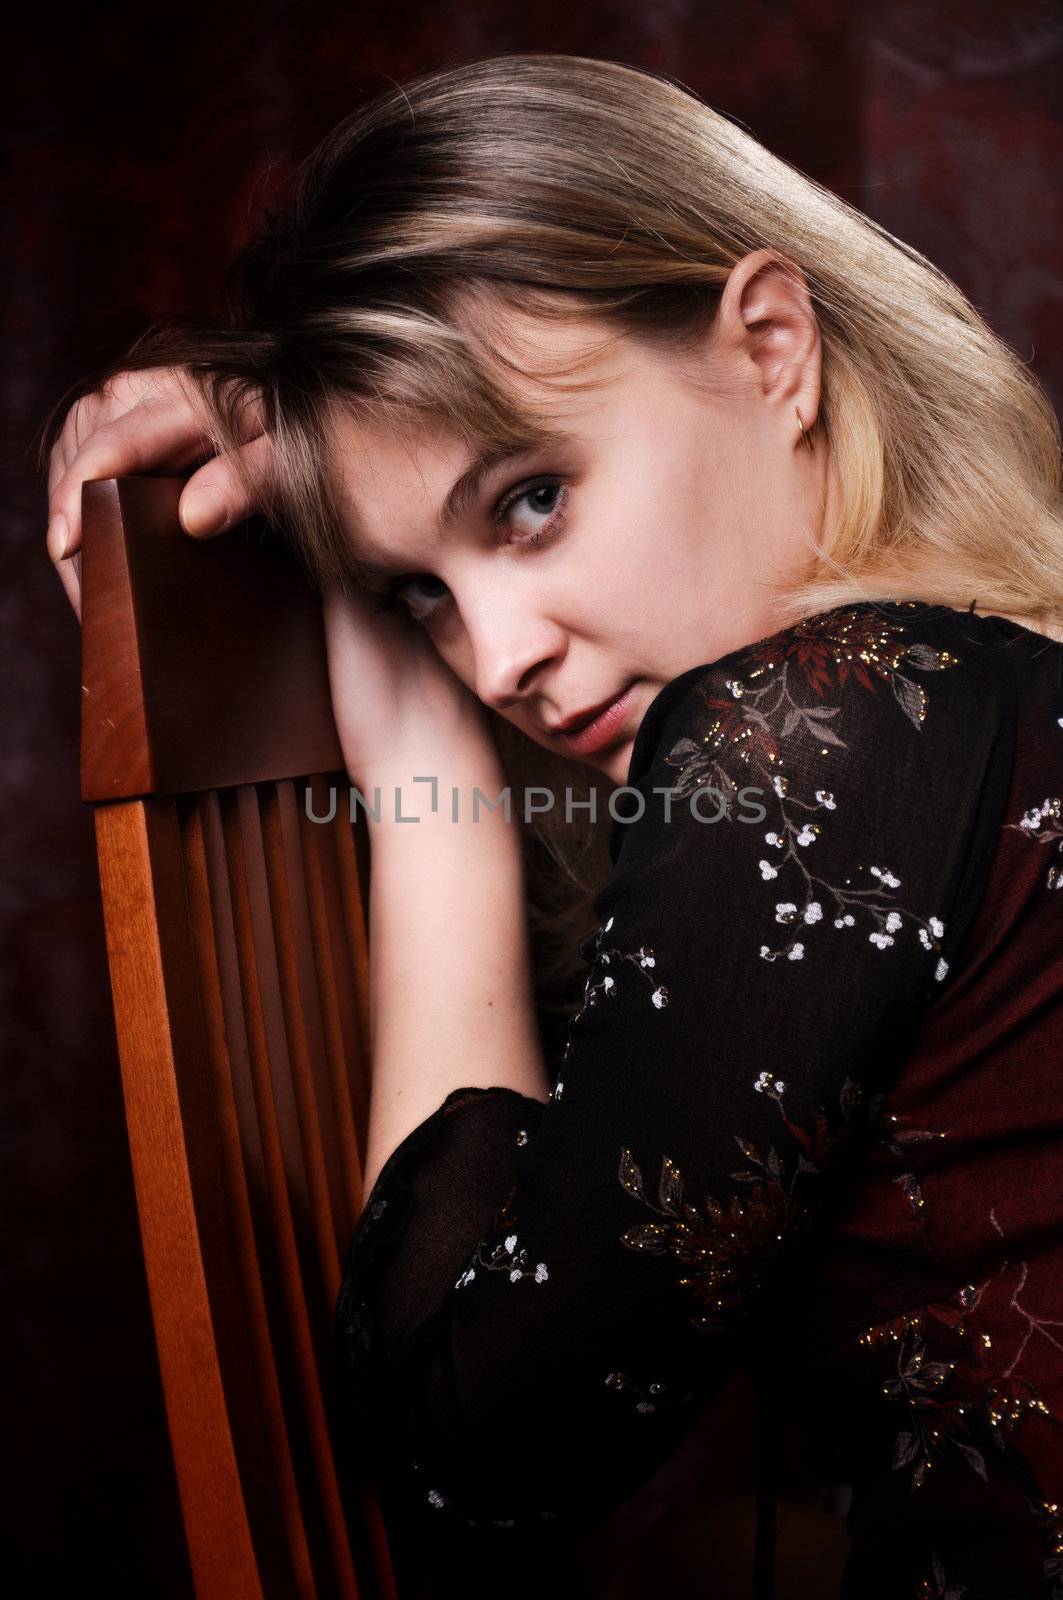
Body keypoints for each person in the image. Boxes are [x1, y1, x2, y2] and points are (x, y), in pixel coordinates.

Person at [41, 52, 1063, 1600]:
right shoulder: (979, 697)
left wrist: (428, 798)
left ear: (773, 347)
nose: (501, 655)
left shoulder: (831, 721)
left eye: (528, 500)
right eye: (420, 600)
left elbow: (479, 1459)